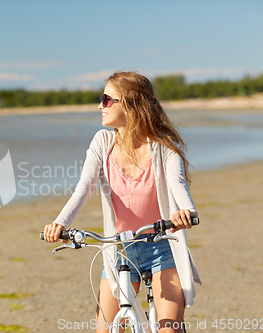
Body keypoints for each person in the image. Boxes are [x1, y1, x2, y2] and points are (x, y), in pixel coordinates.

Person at [43, 71, 201, 333]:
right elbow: (85, 187)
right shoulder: (102, 142)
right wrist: (60, 223)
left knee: (168, 329)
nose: (99, 106)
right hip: (120, 250)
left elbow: (177, 183)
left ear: (129, 104)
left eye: (106, 100)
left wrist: (187, 211)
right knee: (104, 330)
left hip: (163, 248)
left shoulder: (164, 147)